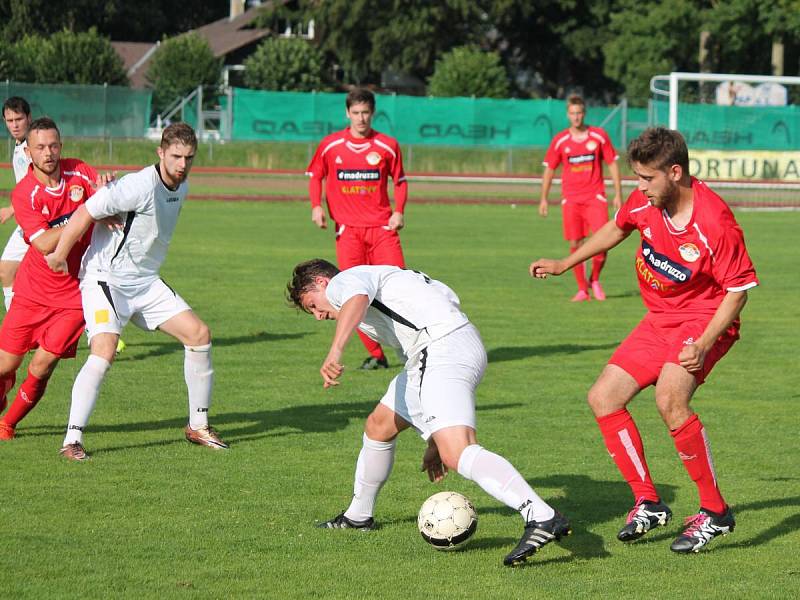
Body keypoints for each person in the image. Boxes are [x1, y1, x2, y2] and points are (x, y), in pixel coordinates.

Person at [529, 127, 758, 553]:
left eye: (646, 179)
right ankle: (648, 502)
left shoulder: (714, 221)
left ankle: (715, 512)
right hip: (659, 320)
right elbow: (617, 228)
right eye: (636, 178)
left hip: (705, 320)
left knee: (670, 399)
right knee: (603, 397)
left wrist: (704, 343)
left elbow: (739, 289)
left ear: (675, 172)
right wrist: (565, 263)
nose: (639, 188)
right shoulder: (646, 201)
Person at [286, 259, 571, 566]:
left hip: (440, 348)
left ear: (322, 284)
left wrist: (335, 350)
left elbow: (355, 300)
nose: (318, 316)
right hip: (445, 347)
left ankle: (541, 516)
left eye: (313, 305)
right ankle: (358, 516)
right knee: (379, 425)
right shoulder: (382, 285)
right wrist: (434, 438)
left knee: (458, 451)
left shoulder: (348, 281)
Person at [45, 123, 226, 460]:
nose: (182, 164)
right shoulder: (139, 185)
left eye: (188, 157)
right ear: (160, 152)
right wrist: (58, 254)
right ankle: (72, 440)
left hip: (145, 281)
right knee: (105, 349)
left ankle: (198, 426)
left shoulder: (181, 186)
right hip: (106, 278)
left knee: (199, 334)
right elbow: (87, 210)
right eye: (175, 156)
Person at [0, 117, 104, 439]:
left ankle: (8, 424)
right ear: (28, 153)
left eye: (53, 145)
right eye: (41, 147)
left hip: (74, 294)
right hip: (32, 291)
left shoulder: (80, 172)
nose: (49, 153)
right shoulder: (25, 193)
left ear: (61, 146)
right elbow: (44, 244)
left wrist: (107, 188)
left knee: (42, 365)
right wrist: (85, 216)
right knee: (5, 366)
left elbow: (107, 197)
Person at [306, 88, 408, 370]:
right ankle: (376, 355)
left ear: (372, 113)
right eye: (356, 113)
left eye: (366, 113)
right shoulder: (331, 146)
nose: (361, 118)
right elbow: (316, 176)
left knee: (399, 288)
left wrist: (399, 211)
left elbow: (400, 181)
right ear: (347, 113)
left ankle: (409, 347)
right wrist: (317, 206)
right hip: (348, 232)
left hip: (382, 229)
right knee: (352, 294)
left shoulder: (387, 146)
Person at [538, 95, 622, 302]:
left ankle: (595, 279)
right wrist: (543, 198)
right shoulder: (560, 141)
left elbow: (612, 164)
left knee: (603, 240)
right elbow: (549, 169)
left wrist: (618, 194)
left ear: (584, 114)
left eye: (579, 113)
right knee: (576, 242)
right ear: (568, 115)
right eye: (573, 113)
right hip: (571, 199)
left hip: (595, 197)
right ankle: (582, 289)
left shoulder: (599, 136)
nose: (576, 117)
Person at [0, 96, 33, 311]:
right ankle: (17, 335)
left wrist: (11, 209)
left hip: (44, 223)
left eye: (19, 119)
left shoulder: (34, 146)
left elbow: (39, 184)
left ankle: (102, 331)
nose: (14, 125)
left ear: (28, 118)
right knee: (6, 271)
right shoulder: (19, 144)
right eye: (9, 120)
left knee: (69, 283)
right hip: (27, 223)